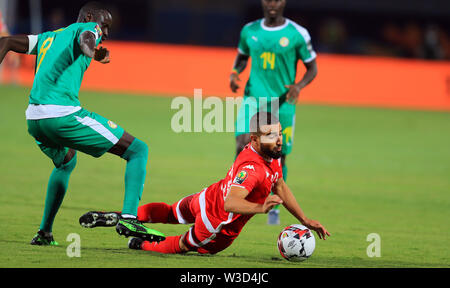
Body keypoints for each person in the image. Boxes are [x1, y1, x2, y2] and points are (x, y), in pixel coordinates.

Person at [0, 2, 165, 245]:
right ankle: (130, 218)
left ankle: (44, 233)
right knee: (138, 149)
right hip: (62, 115)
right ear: (89, 16)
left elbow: (6, 42)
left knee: (66, 162)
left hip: (34, 118)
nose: (105, 33)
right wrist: (95, 53)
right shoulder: (88, 28)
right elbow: (87, 39)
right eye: (105, 25)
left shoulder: (48, 37)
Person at [79, 112, 330, 255]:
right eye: (272, 135)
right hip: (217, 223)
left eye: (279, 133)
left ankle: (123, 216)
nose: (279, 140)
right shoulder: (252, 169)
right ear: (254, 138)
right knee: (184, 246)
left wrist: (304, 219)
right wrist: (260, 209)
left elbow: (280, 186)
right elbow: (232, 203)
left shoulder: (269, 156)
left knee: (168, 212)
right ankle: (140, 243)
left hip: (208, 196)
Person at [229, 0, 318, 225]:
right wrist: (235, 73)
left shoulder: (298, 34)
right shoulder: (249, 31)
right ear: (262, 0)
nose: (272, 3)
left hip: (283, 104)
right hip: (253, 99)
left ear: (283, 2)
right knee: (241, 144)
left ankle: (276, 203)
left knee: (279, 157)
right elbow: (242, 56)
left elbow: (313, 68)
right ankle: (237, 198)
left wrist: (299, 86)